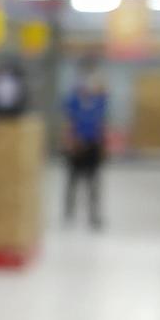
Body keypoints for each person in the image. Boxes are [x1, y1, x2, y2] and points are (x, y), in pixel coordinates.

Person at [63, 67, 109, 228]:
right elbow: (69, 122)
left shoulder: (99, 101)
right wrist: (70, 142)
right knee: (73, 181)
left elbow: (101, 123)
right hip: (77, 145)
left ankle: (94, 214)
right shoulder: (73, 100)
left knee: (93, 182)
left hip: (93, 145)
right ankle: (68, 213)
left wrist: (103, 145)